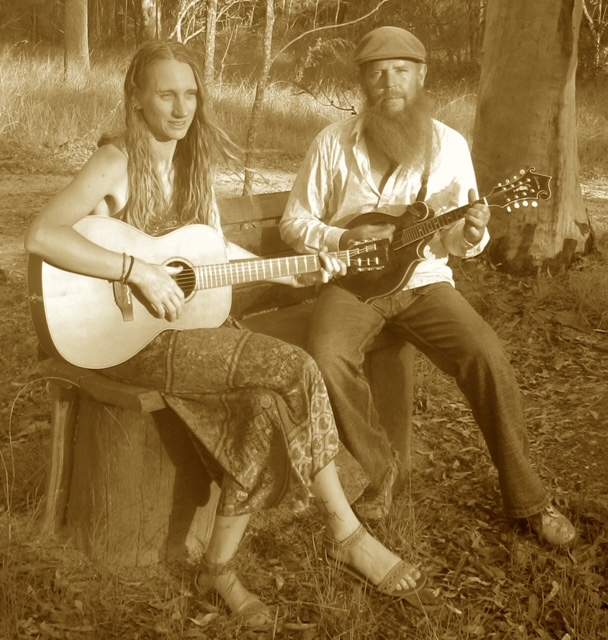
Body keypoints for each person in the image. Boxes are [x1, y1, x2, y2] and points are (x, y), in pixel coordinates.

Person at [24, 40, 427, 629]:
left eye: (190, 94)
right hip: (124, 340)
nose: (181, 107)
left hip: (183, 333)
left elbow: (210, 254)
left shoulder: (191, 164)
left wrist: (292, 270)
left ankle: (219, 568)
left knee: (265, 406)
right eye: (166, 94)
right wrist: (135, 269)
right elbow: (42, 234)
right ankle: (346, 530)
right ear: (136, 99)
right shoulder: (116, 161)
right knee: (295, 367)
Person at [280, 26, 576, 546]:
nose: (388, 81)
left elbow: (462, 241)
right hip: (353, 284)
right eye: (376, 72)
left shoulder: (449, 146)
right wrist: (341, 234)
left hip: (424, 283)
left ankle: (529, 497)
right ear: (363, 82)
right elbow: (294, 222)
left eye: (400, 71)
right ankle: (383, 468)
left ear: (421, 76)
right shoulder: (331, 143)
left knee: (487, 356)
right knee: (327, 354)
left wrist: (474, 232)